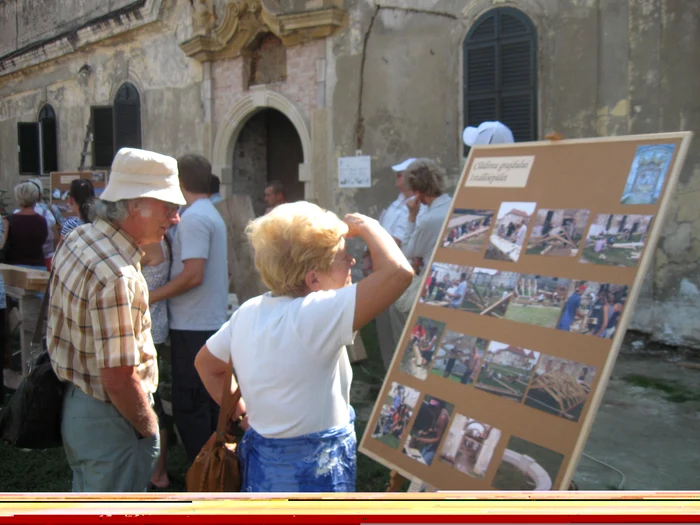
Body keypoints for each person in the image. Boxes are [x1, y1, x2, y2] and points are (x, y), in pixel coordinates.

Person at [193, 202, 413, 492]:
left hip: (263, 469)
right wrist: (367, 226)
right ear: (314, 279)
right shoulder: (316, 314)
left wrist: (243, 415)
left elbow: (206, 365)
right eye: (342, 256)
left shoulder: (249, 311)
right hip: (313, 478)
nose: (352, 262)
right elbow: (398, 273)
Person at [47, 147, 185, 492]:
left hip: (78, 407)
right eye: (169, 207)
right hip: (112, 419)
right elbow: (119, 378)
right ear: (134, 204)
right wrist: (149, 427)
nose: (175, 218)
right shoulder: (118, 275)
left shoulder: (80, 236)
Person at [148, 154, 229, 463]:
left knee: (191, 405)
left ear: (179, 184)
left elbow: (193, 275)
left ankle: (204, 476)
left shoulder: (194, 218)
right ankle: (216, 470)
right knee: (206, 404)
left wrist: (149, 295)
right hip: (205, 320)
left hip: (194, 324)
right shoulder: (209, 213)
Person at [141, 235, 173, 490]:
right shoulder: (159, 240)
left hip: (146, 332)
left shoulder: (149, 242)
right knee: (153, 402)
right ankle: (157, 471)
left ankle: (158, 473)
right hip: (154, 330)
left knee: (150, 405)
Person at [2, 182, 49, 269]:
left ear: (18, 198)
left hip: (14, 269)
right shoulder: (42, 221)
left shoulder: (8, 221)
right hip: (38, 268)